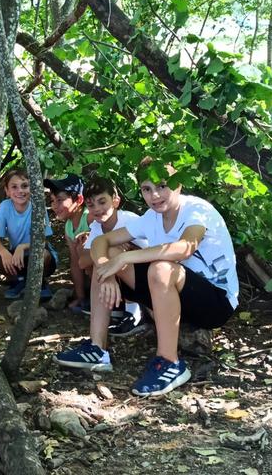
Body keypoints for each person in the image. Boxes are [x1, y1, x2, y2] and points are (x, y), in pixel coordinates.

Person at [54, 161, 238, 397]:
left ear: (177, 184)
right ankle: (97, 349)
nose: (155, 195)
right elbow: (102, 242)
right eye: (147, 189)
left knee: (160, 268)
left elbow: (185, 247)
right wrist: (105, 270)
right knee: (110, 255)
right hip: (172, 296)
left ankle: (170, 362)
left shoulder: (196, 210)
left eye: (162, 186)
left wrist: (126, 257)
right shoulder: (151, 217)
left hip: (215, 302)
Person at [77, 176, 149, 337]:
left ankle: (134, 312)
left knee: (111, 256)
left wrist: (121, 249)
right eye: (91, 204)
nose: (97, 208)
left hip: (143, 277)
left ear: (115, 201)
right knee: (102, 258)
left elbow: (150, 253)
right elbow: (83, 262)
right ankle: (117, 307)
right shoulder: (96, 227)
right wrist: (107, 247)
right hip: (121, 276)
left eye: (102, 202)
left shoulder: (129, 221)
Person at [0, 168, 57, 300]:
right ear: (7, 191)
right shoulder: (5, 207)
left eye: (25, 186)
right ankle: (19, 280)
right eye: (14, 187)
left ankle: (38, 282)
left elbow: (44, 239)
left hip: (35, 253)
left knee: (44, 254)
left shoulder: (38, 206)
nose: (20, 191)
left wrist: (23, 246)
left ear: (31, 188)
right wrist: (4, 252)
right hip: (16, 258)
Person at [45, 174, 92, 312]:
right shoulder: (69, 226)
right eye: (52, 200)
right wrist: (80, 296)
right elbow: (75, 262)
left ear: (79, 199)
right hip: (89, 273)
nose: (54, 205)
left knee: (84, 248)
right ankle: (85, 298)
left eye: (60, 200)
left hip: (101, 269)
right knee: (78, 253)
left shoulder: (90, 217)